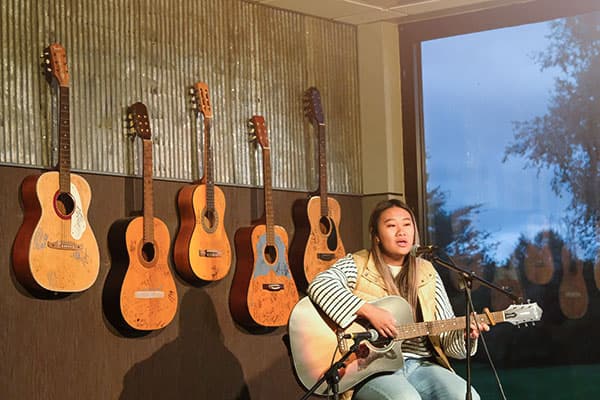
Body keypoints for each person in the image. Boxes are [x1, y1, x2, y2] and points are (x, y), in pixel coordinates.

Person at [307, 198, 489, 400]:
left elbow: (448, 342)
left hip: (422, 364)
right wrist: (369, 311)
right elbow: (319, 285)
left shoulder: (427, 272)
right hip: (370, 368)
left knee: (466, 396)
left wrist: (464, 335)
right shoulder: (358, 264)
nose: (401, 232)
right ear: (376, 235)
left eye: (407, 224)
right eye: (391, 226)